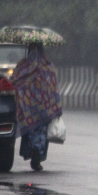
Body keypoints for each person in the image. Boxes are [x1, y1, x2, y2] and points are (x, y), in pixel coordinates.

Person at [11, 43, 62, 171]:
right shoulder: (48, 68)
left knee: (31, 134)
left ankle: (34, 154)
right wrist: (56, 107)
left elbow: (14, 82)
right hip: (44, 111)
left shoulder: (23, 68)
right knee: (41, 135)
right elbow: (53, 89)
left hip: (28, 112)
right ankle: (37, 158)